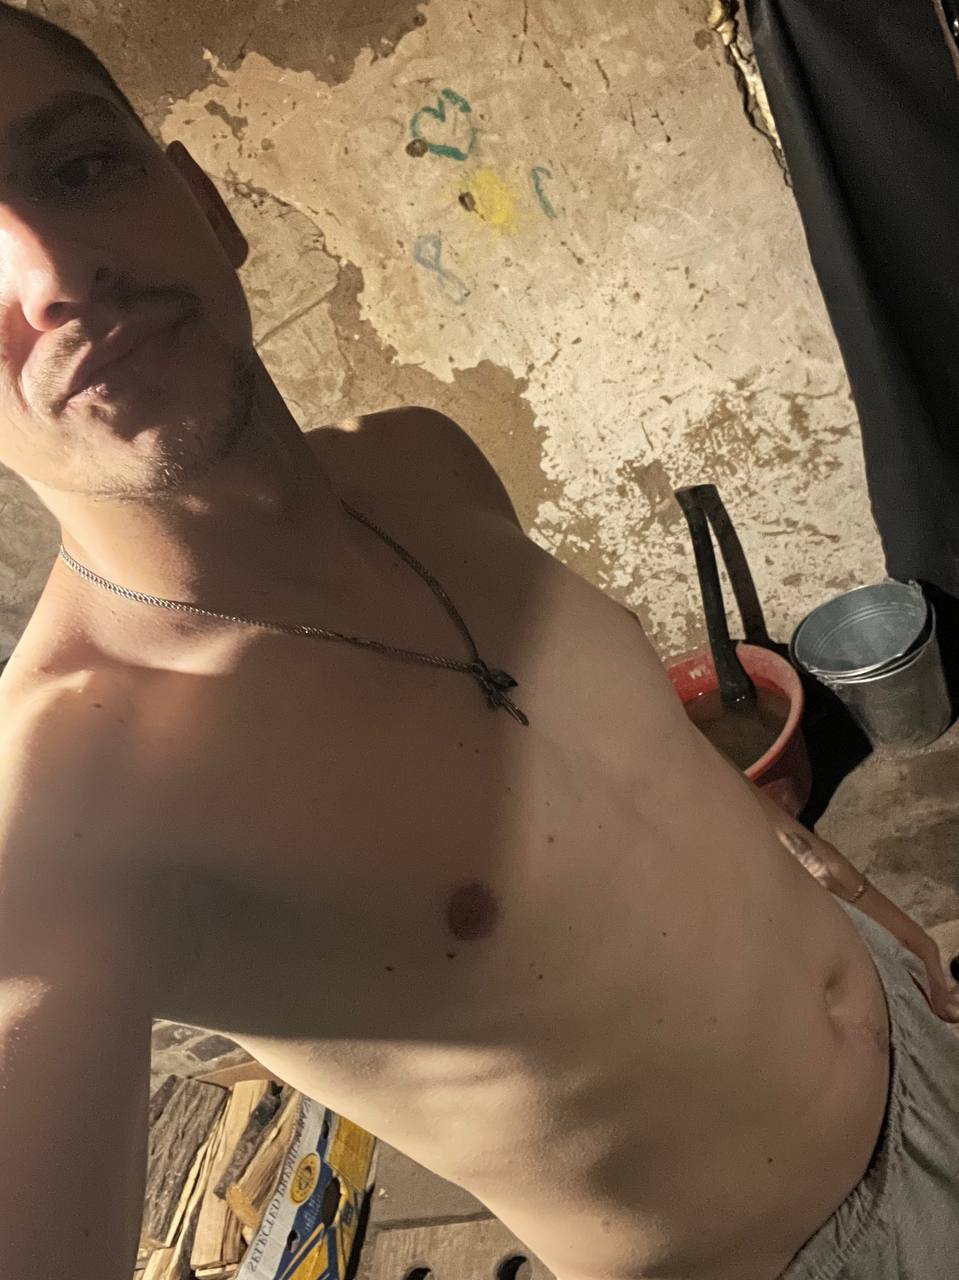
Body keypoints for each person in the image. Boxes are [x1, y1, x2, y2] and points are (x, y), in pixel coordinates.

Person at [0, 8, 957, 1280]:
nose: (52, 274)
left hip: (914, 1020)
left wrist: (840, 885)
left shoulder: (422, 460)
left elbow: (630, 766)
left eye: (78, 169)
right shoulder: (70, 809)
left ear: (205, 205)